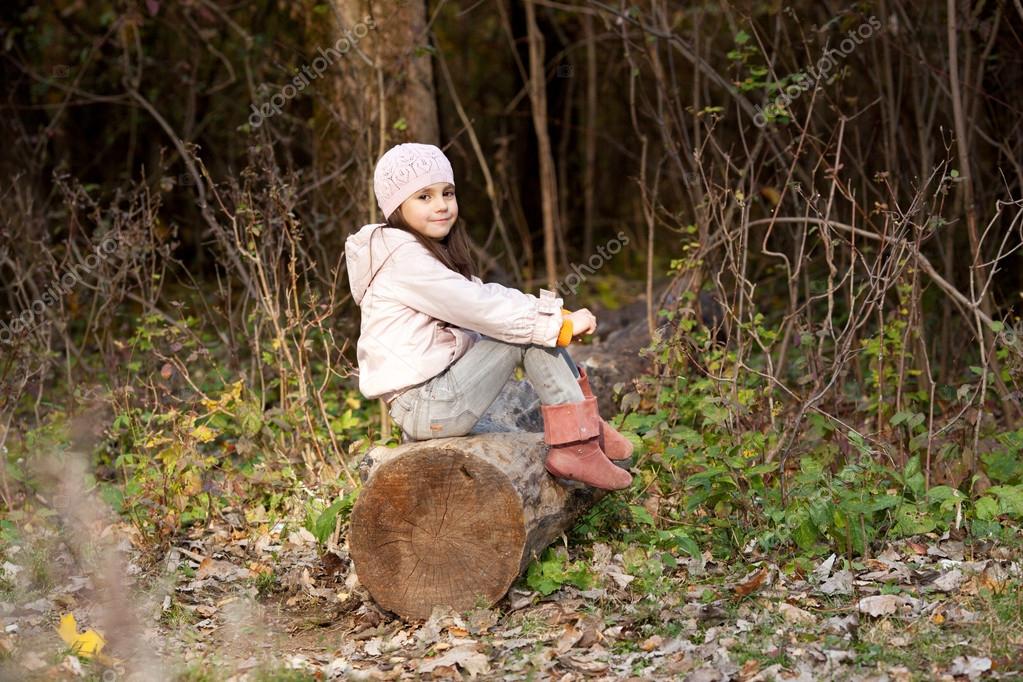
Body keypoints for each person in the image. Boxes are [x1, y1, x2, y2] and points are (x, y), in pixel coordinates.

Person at [345, 142, 632, 490]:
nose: (441, 205)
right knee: (528, 333)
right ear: (396, 207)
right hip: (427, 407)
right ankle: (576, 445)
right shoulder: (402, 260)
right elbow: (479, 307)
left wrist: (558, 315)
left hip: (442, 395)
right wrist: (555, 325)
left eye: (447, 193)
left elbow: (485, 294)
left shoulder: (422, 251)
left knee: (535, 328)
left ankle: (588, 430)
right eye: (424, 197)